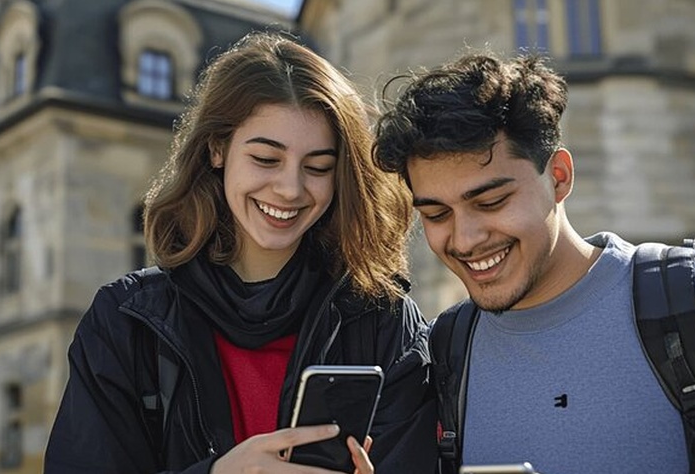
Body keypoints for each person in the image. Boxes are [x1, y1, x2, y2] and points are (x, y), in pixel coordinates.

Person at [44, 32, 437, 474]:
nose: (290, 189)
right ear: (217, 149)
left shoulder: (385, 322)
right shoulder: (125, 321)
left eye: (317, 167)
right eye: (266, 160)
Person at [372, 51, 695, 473]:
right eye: (436, 215)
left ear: (558, 177)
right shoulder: (445, 346)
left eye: (491, 202)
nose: (465, 239)